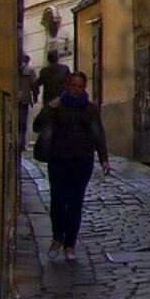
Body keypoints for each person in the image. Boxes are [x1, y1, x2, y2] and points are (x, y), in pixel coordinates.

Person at [42, 69, 110, 261]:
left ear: (84, 88)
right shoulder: (57, 106)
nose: (76, 89)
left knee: (75, 202)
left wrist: (103, 159)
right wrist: (49, 108)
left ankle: (70, 244)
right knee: (58, 201)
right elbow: (38, 125)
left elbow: (98, 133)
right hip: (59, 160)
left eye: (80, 86)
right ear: (67, 85)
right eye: (73, 86)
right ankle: (57, 238)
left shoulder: (90, 109)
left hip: (82, 161)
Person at [36, 48, 71, 113]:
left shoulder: (44, 71)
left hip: (48, 100)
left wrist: (35, 96)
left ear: (48, 59)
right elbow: (70, 82)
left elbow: (37, 84)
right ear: (57, 58)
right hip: (62, 98)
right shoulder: (65, 68)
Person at [17, 53, 38, 147]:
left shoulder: (15, 69)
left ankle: (17, 143)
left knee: (16, 122)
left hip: (15, 99)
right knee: (23, 123)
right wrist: (35, 96)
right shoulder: (30, 70)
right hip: (24, 99)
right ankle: (21, 143)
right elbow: (35, 85)